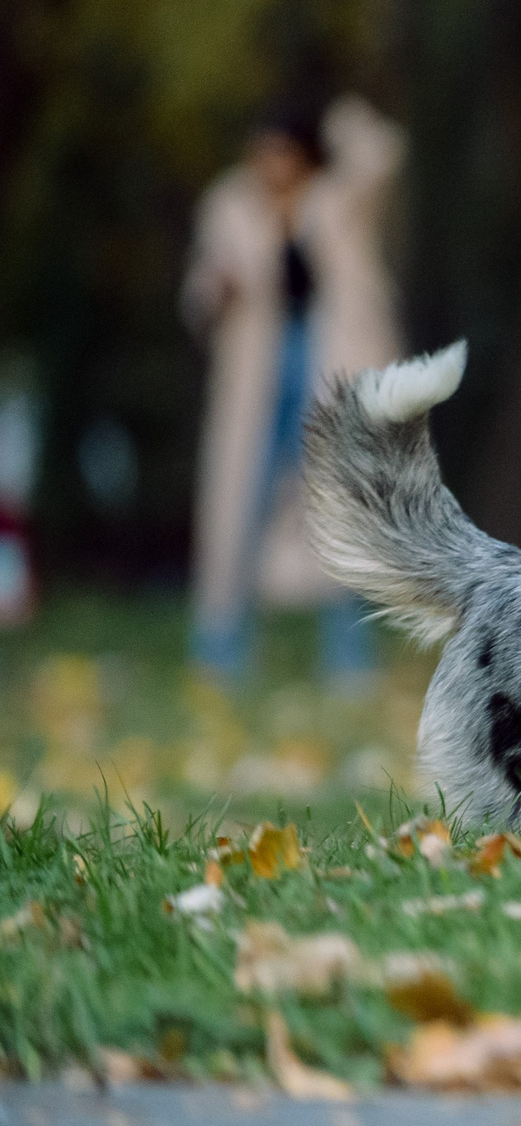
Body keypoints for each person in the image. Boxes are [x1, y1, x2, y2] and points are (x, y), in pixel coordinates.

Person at [181, 95, 406, 684]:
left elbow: (383, 153)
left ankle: (349, 659)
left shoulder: (338, 199)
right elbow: (200, 293)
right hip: (258, 373)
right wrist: (219, 289)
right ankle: (221, 649)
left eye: (281, 152)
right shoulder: (230, 205)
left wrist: (340, 122)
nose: (269, 163)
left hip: (334, 368)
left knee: (346, 508)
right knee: (240, 508)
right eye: (262, 152)